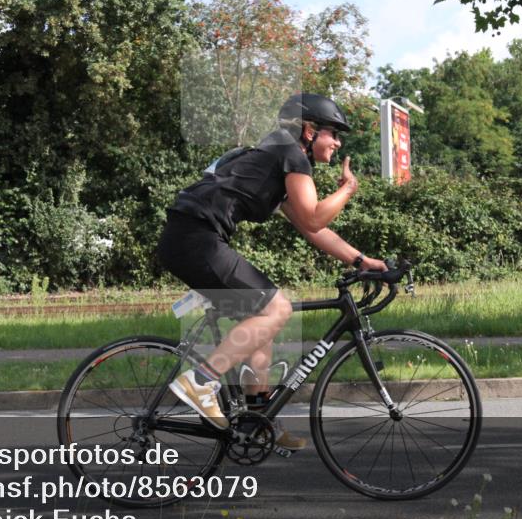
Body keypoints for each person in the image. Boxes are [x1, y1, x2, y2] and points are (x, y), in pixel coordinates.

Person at [156, 92, 387, 449]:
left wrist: (360, 259)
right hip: (195, 239)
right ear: (309, 131)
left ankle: (257, 419)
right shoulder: (290, 154)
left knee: (263, 324)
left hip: (188, 237)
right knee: (277, 308)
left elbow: (311, 228)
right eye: (333, 133)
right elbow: (315, 217)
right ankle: (200, 382)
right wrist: (348, 189)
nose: (338, 143)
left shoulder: (276, 156)